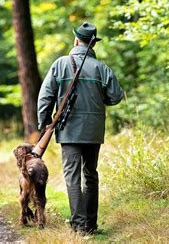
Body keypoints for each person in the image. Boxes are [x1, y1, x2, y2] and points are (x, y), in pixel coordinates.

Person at [37, 22, 124, 234]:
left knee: (72, 176)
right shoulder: (102, 68)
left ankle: (78, 225)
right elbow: (116, 96)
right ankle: (91, 224)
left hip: (69, 130)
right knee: (91, 175)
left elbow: (45, 96)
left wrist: (43, 123)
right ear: (93, 44)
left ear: (76, 40)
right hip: (94, 131)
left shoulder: (60, 64)